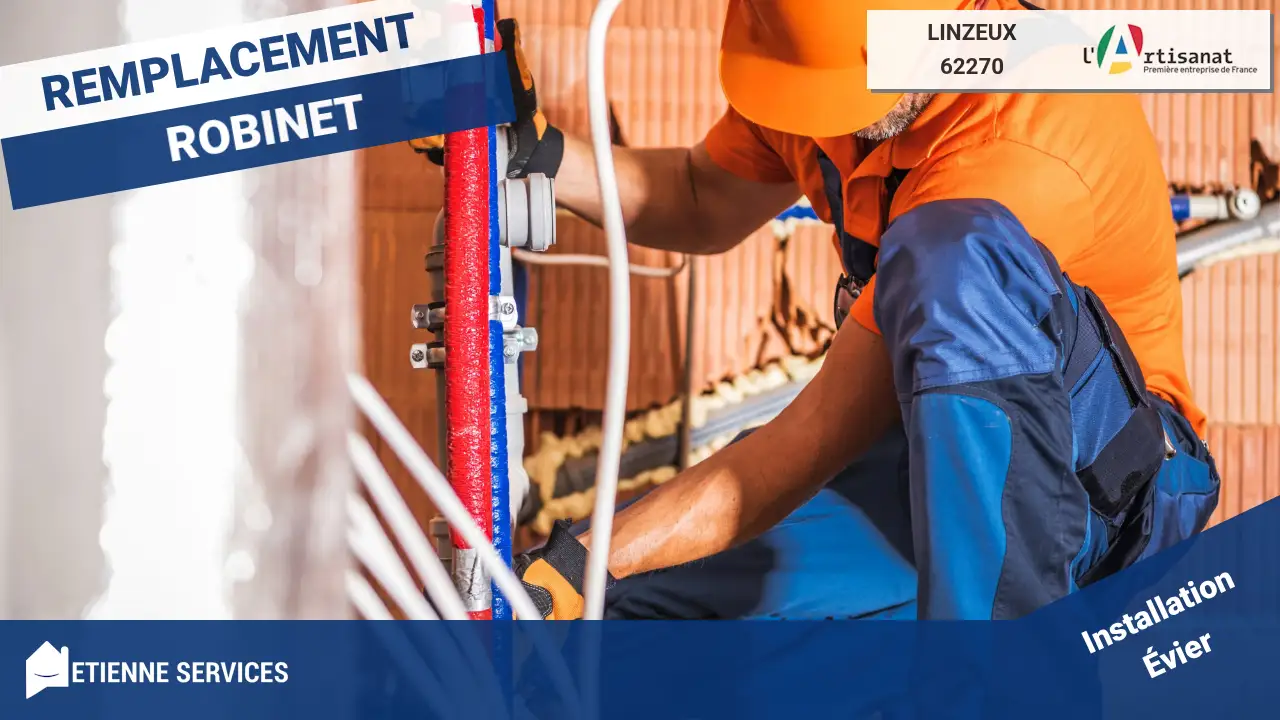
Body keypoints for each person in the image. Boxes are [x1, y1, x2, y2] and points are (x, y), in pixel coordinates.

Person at [423, 0, 1222, 621]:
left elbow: (806, 441)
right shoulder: (828, 73)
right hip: (927, 468)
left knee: (951, 257)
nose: (829, 122)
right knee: (645, 610)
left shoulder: (1024, 145)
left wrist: (588, 555)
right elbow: (703, 195)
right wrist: (541, 157)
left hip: (1111, 498)